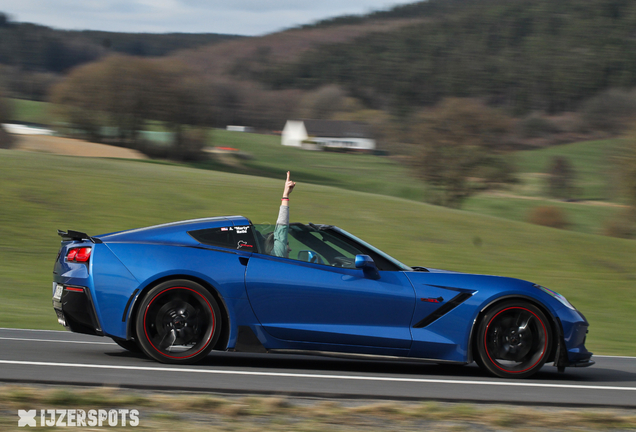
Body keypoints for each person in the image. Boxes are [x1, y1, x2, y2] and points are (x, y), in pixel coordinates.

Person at [264, 171, 296, 257]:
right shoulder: (278, 256)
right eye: (286, 243)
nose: (290, 249)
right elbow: (282, 229)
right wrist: (285, 195)